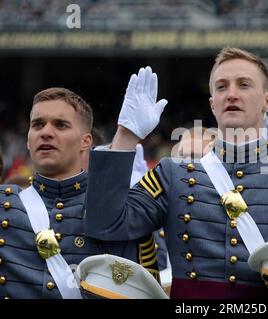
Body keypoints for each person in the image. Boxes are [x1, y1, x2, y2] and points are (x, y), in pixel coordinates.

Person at [85, 47, 268, 299]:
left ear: (267, 101)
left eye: (243, 85)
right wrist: (125, 137)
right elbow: (107, 224)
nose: (231, 94)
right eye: (221, 87)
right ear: (212, 104)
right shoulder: (172, 174)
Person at [0, 87, 160, 298]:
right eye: (37, 124)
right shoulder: (5, 203)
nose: (46, 132)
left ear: (86, 141)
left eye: (60, 125)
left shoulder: (121, 211)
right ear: (29, 140)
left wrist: (125, 138)